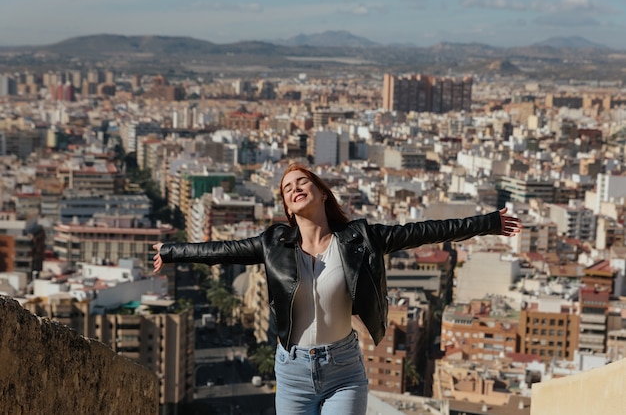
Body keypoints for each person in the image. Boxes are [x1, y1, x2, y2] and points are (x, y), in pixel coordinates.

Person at [153, 163, 522, 415]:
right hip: (292, 370)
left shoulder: (360, 238)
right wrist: (169, 252)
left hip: (343, 369)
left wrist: (490, 222)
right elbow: (220, 253)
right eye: (287, 188)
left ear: (323, 193)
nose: (295, 189)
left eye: (303, 182)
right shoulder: (273, 243)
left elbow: (425, 231)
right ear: (286, 206)